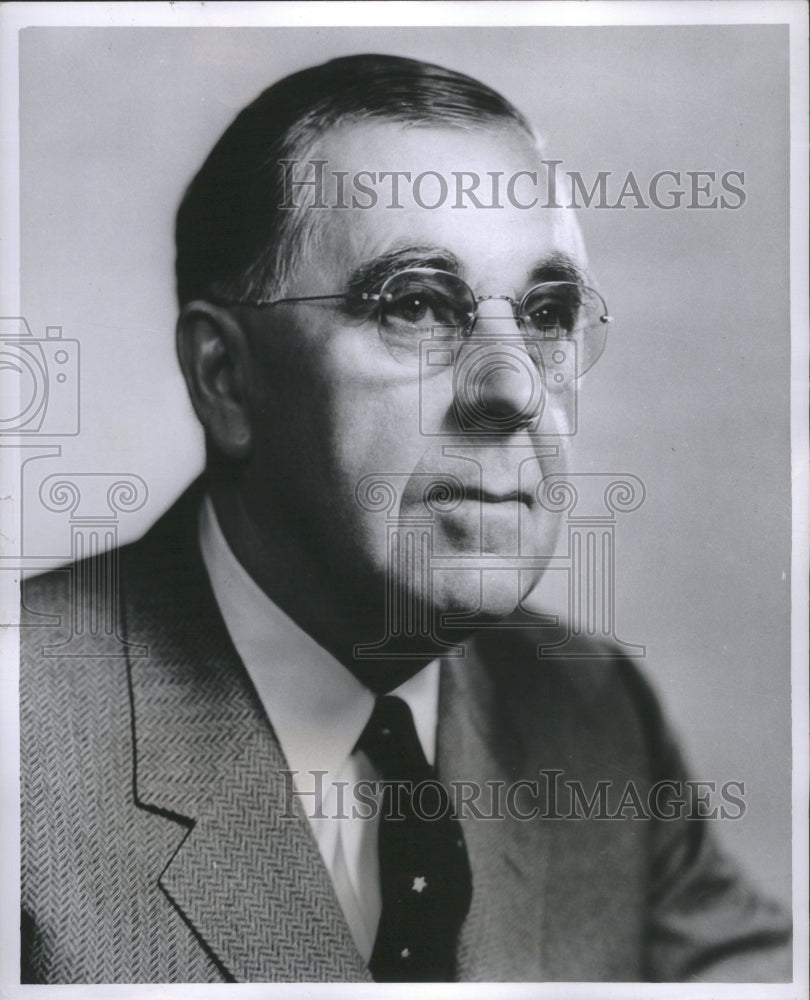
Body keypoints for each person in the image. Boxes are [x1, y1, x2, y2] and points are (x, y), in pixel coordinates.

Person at [20, 53, 791, 984]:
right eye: (420, 305)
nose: (512, 387)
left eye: (548, 313)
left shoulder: (593, 717)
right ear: (226, 379)